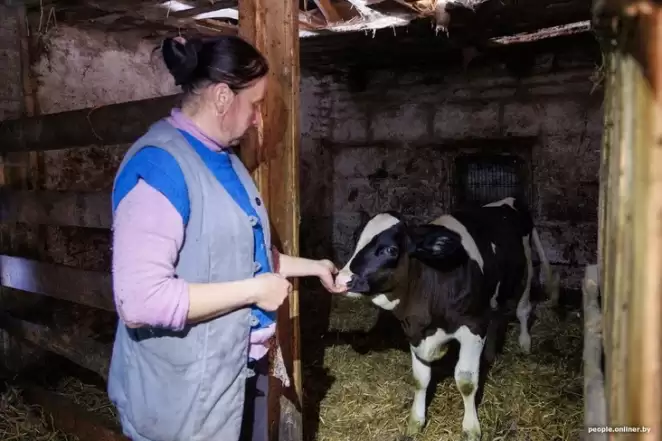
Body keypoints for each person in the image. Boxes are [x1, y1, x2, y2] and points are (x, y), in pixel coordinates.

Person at [106, 35, 345, 441]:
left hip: (235, 374)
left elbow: (244, 255)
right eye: (254, 104)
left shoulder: (225, 160)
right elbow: (140, 301)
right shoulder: (160, 166)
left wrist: (313, 267)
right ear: (221, 97)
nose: (257, 120)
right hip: (181, 398)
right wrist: (254, 290)